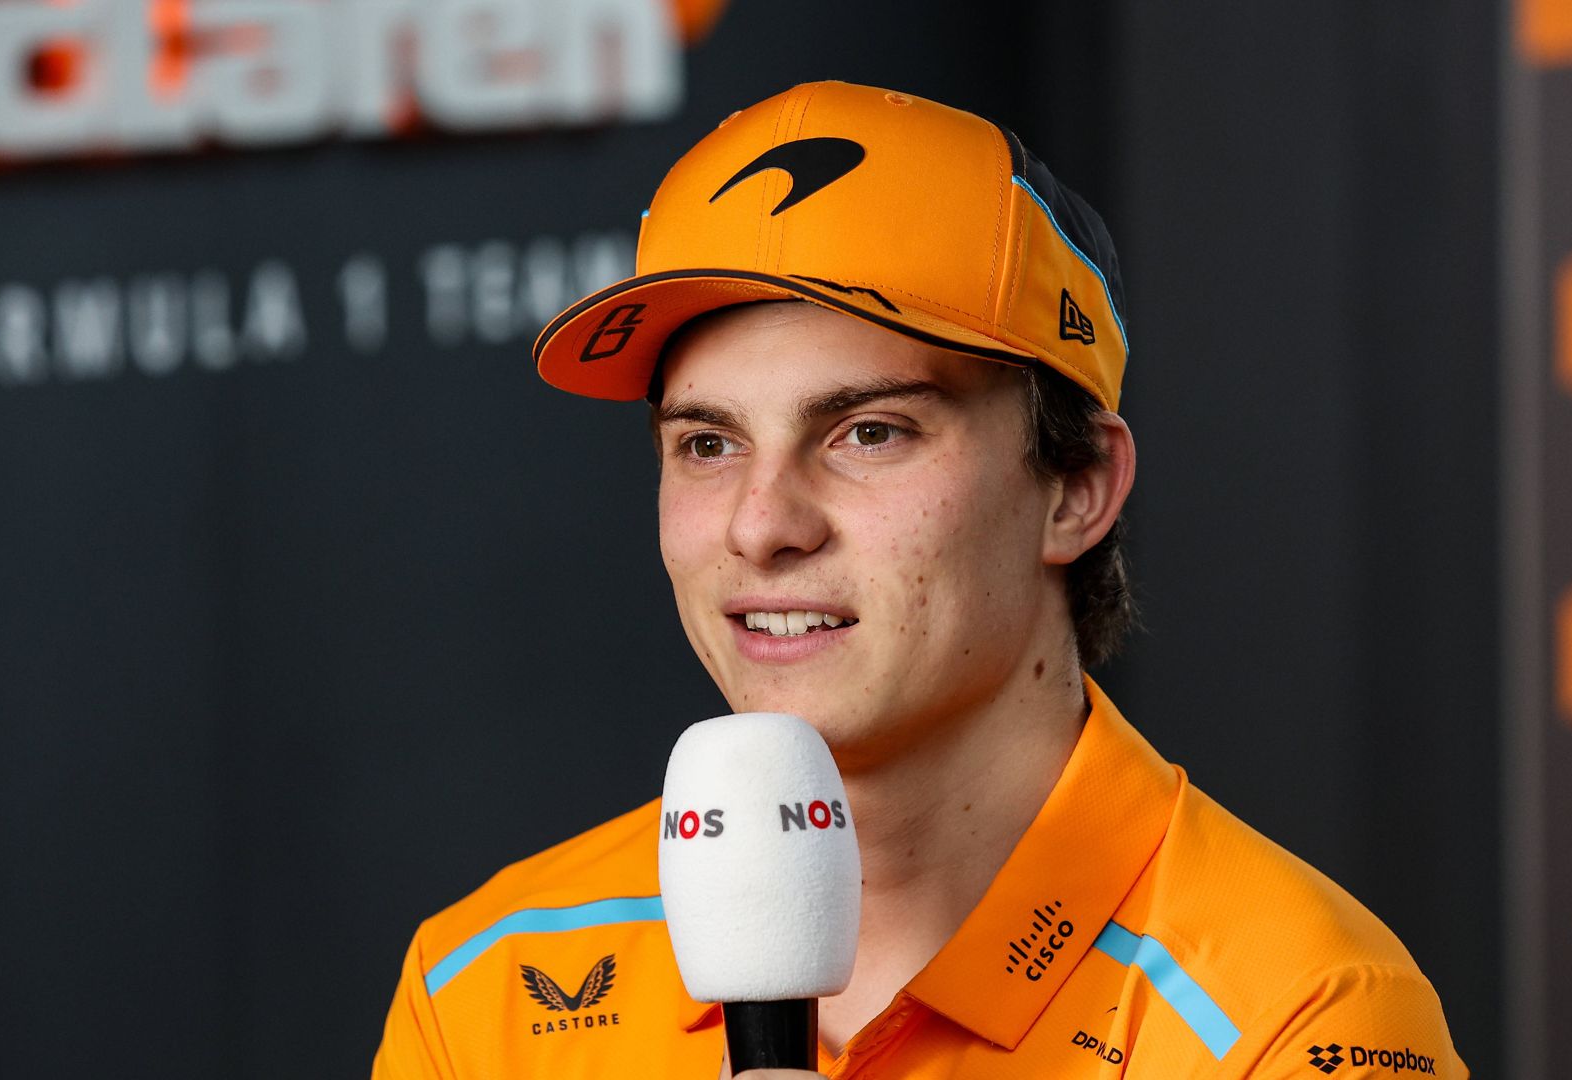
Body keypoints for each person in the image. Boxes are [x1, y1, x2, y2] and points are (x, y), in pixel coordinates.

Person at [372, 81, 1466, 1079]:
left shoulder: (1303, 1021)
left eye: (869, 431)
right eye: (708, 443)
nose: (763, 524)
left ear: (1076, 486)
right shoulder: (488, 988)